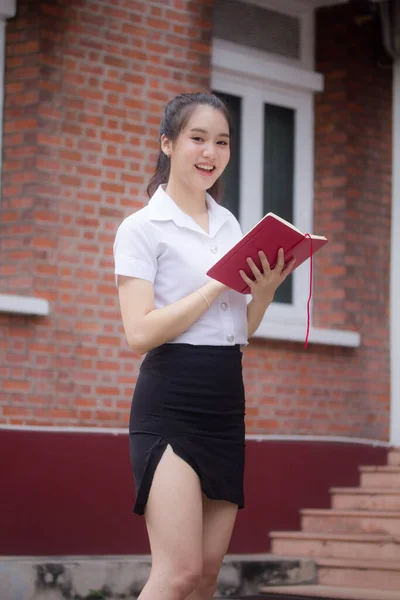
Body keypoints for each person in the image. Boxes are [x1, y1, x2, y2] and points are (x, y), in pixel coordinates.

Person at [113, 92, 294, 600]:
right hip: (170, 398)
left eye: (221, 141)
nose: (210, 152)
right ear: (167, 143)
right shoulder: (141, 229)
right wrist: (215, 284)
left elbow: (240, 329)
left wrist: (264, 292)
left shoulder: (230, 226)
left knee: (207, 577)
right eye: (197, 138)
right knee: (178, 574)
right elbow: (139, 333)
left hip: (224, 401)